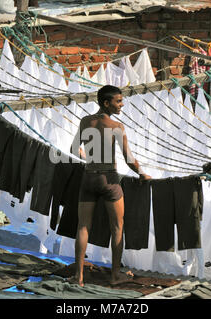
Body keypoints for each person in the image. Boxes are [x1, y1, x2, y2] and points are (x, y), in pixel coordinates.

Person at [69, 85, 151, 287]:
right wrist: (141, 173)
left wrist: (89, 158)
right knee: (117, 228)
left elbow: (74, 149)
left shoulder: (86, 121)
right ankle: (115, 275)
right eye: (118, 101)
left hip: (89, 178)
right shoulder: (116, 127)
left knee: (83, 227)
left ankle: (78, 278)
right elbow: (129, 158)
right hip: (109, 181)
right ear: (106, 103)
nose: (122, 105)